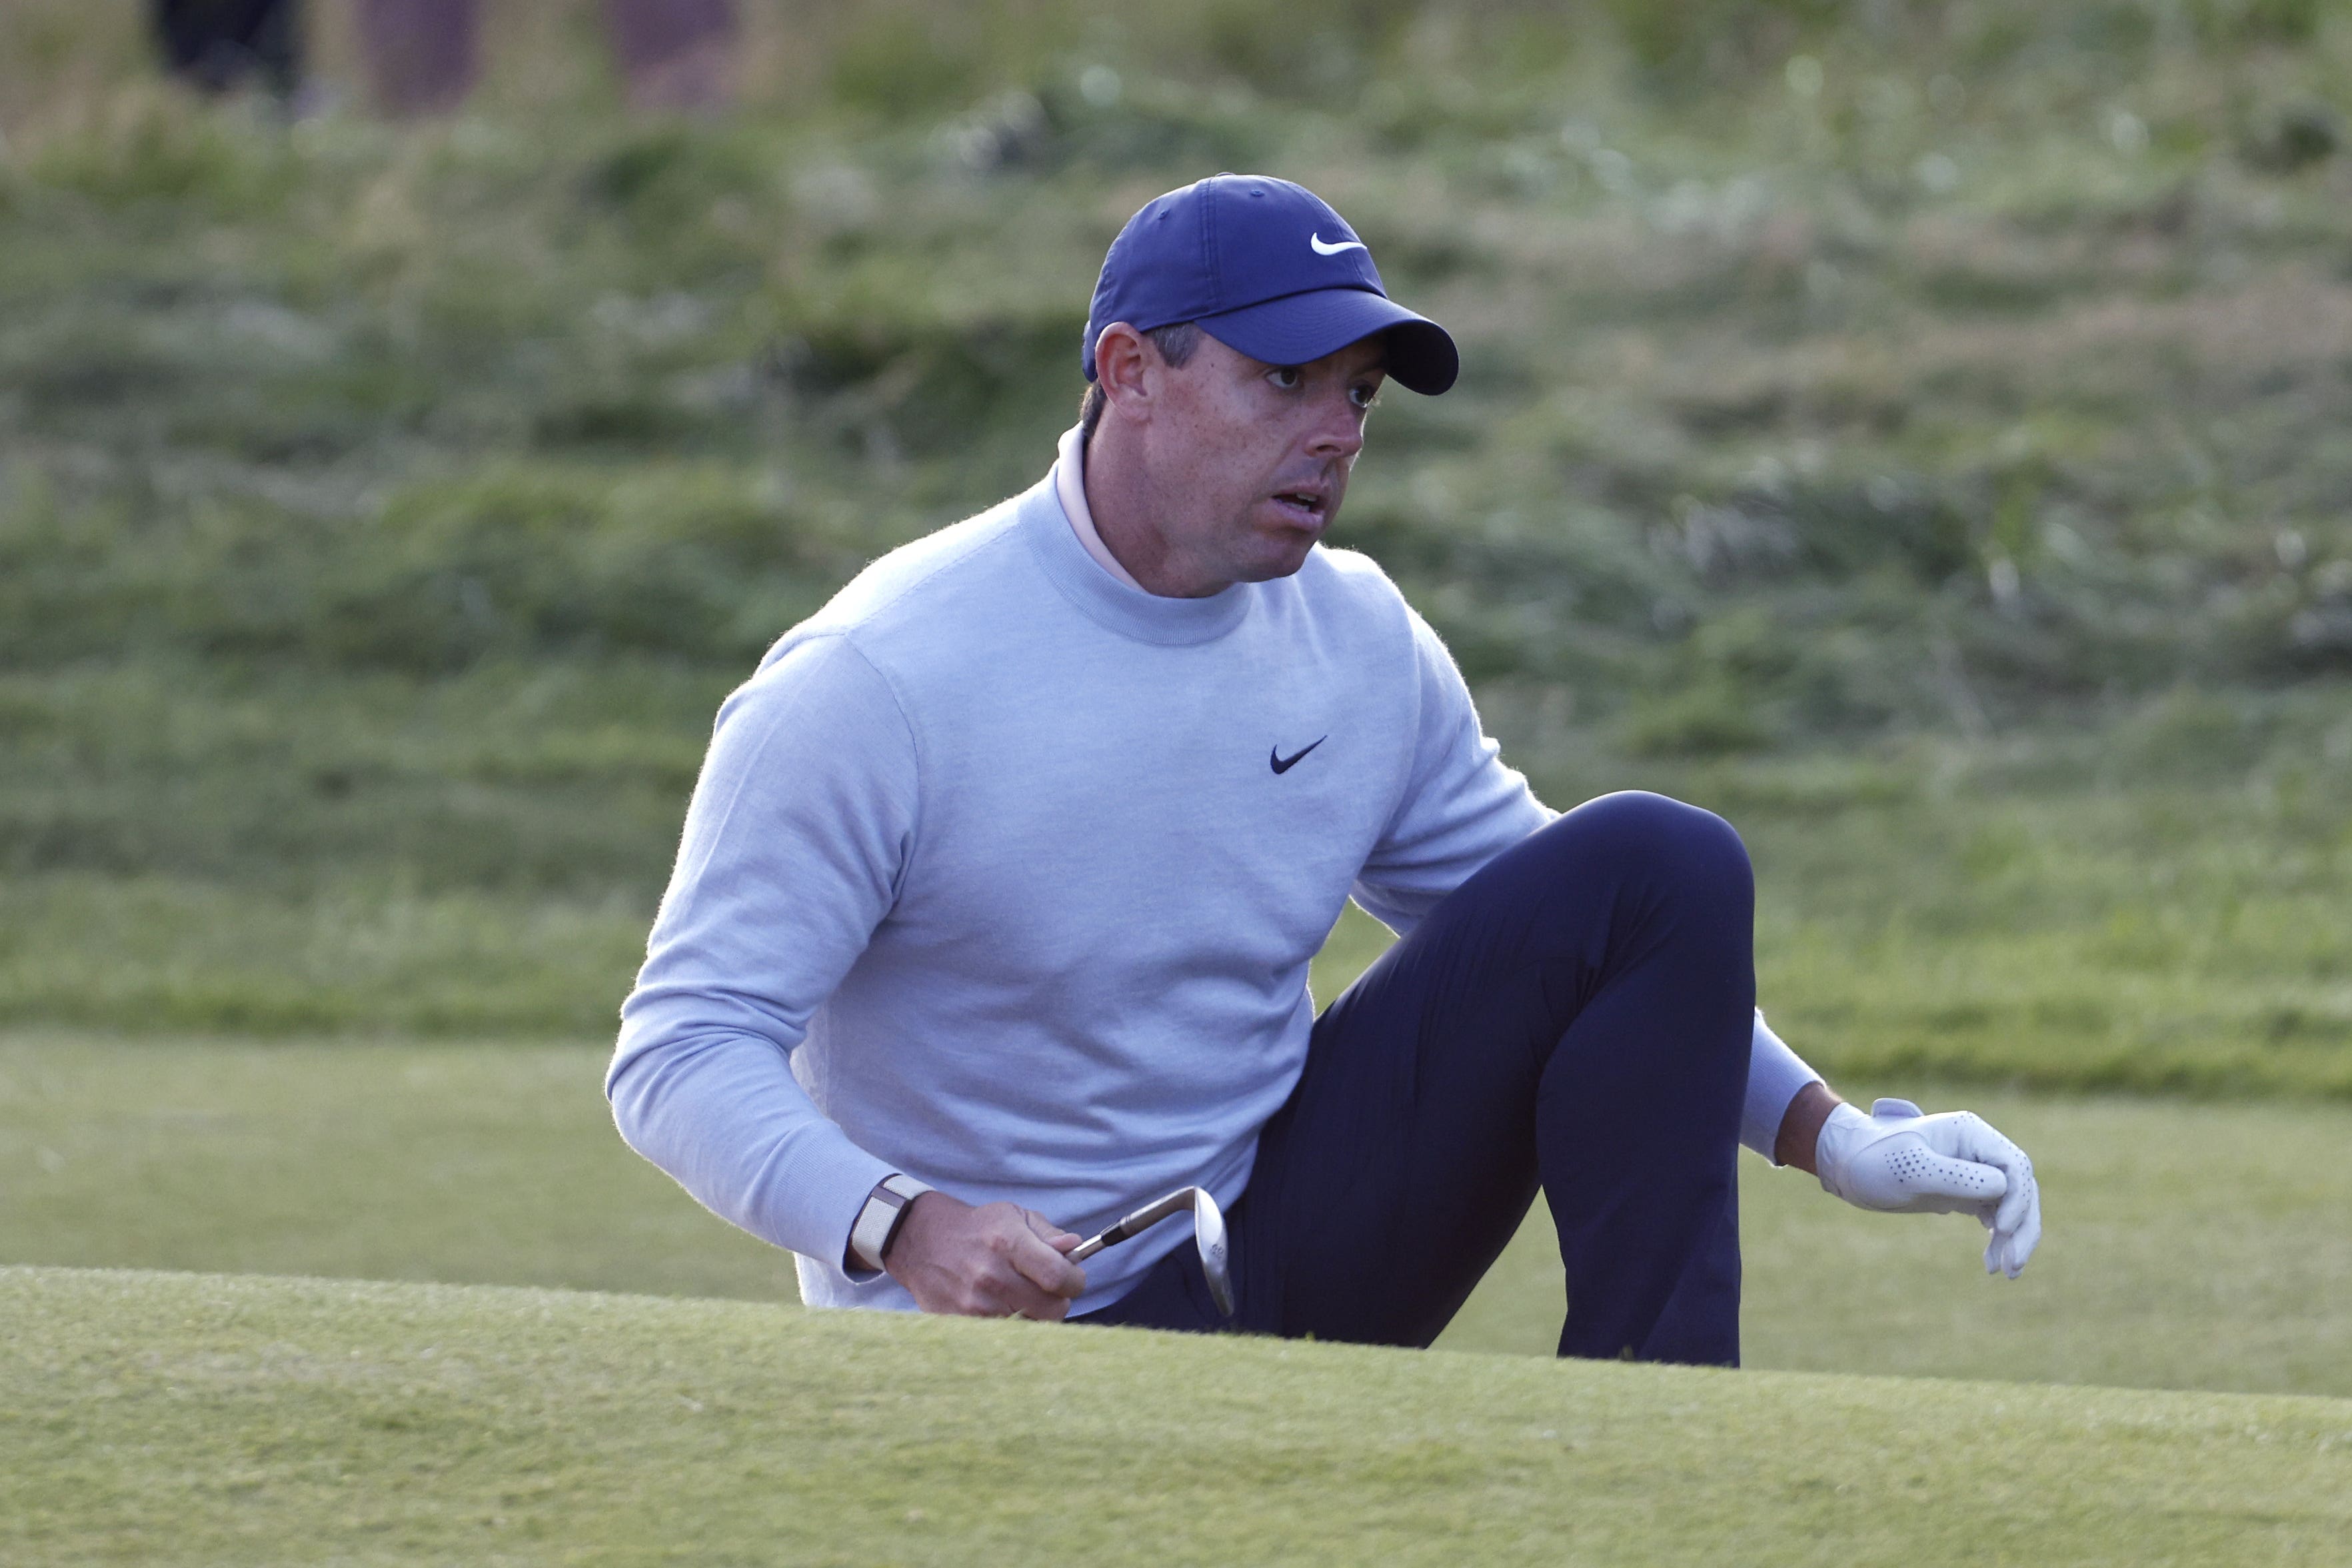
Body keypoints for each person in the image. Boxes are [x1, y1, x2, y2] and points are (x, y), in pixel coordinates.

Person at [607, 174, 2042, 1364]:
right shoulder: (877, 677)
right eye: (1283, 378)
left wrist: (1833, 1137)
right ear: (1128, 373)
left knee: (1660, 862)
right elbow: (678, 1049)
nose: (1335, 433)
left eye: (1358, 393)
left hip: (1288, 1251)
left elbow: (1599, 936)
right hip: (993, 1339)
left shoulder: (1355, 634)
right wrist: (903, 1221)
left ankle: (1653, 1442)